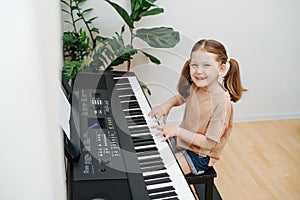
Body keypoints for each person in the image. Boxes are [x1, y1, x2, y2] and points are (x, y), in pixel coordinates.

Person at [148, 39, 247, 175]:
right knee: (149, 155)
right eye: (194, 65)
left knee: (163, 171)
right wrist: (167, 105)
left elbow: (209, 143)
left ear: (221, 69)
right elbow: (182, 96)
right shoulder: (196, 86)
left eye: (207, 65)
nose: (199, 71)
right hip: (182, 141)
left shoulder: (222, 104)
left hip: (200, 155)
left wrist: (177, 131)